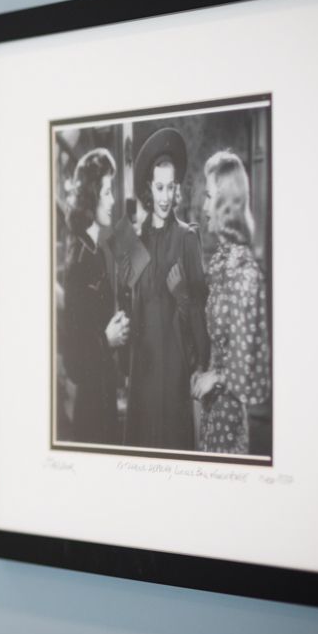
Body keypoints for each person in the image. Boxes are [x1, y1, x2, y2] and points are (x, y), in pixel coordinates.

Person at [125, 127, 209, 451]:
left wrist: (182, 296)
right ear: (149, 186)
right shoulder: (133, 242)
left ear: (177, 190)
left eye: (170, 187)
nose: (164, 196)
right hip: (142, 376)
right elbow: (128, 313)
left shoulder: (189, 238)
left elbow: (201, 333)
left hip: (174, 375)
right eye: (158, 187)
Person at [191, 151, 271, 455]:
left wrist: (216, 377)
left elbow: (249, 369)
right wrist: (202, 369)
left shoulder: (244, 272)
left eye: (209, 197)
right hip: (214, 411)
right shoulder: (222, 264)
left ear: (225, 205)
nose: (203, 207)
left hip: (231, 417)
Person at [61, 148, 128, 444]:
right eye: (106, 192)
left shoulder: (95, 250)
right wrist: (107, 339)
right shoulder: (79, 259)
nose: (113, 200)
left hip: (104, 393)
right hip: (91, 409)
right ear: (90, 196)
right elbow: (73, 361)